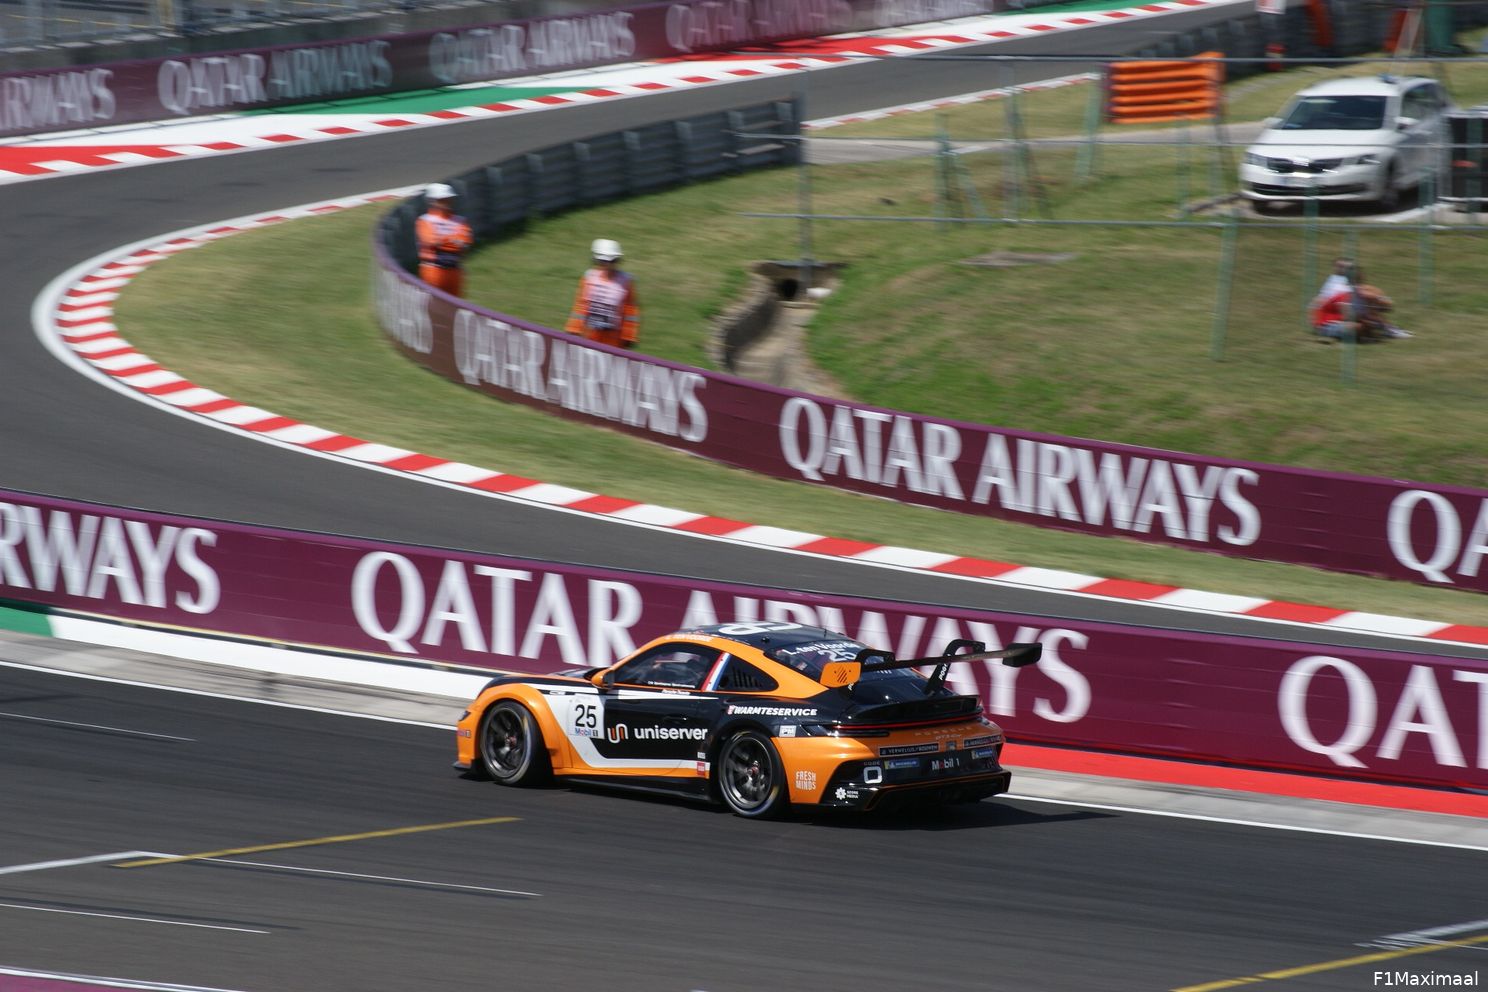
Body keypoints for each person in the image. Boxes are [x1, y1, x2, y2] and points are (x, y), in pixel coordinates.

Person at [565, 238, 640, 348]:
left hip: (614, 340)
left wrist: (629, 336)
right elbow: (581, 305)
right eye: (603, 261)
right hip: (589, 335)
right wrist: (573, 328)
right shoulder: (589, 277)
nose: (607, 265)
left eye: (611, 261)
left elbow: (630, 311)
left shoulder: (625, 281)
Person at [415, 183, 473, 296]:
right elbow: (430, 241)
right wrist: (454, 240)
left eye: (449, 198)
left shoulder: (460, 220)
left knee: (454, 308)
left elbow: (466, 242)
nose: (447, 202)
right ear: (432, 201)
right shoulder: (424, 220)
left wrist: (443, 240)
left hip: (455, 271)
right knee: (433, 306)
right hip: (432, 270)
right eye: (442, 199)